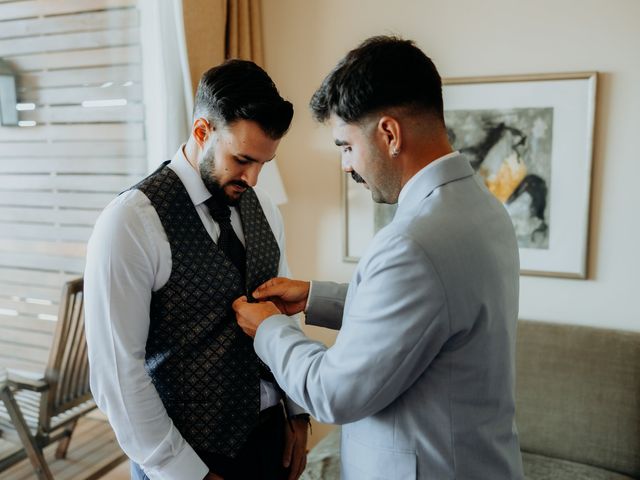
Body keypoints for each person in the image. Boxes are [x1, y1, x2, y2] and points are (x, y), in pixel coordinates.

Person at [233, 36, 524, 479]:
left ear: (389, 133)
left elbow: (334, 392)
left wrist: (268, 330)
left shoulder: (412, 244)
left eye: (346, 146)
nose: (346, 166)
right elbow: (429, 311)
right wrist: (316, 297)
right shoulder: (483, 209)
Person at [85, 60, 309, 480]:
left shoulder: (260, 205)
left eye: (265, 162)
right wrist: (187, 472)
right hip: (186, 454)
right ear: (202, 131)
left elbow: (282, 312)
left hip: (270, 440)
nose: (255, 178)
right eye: (243, 159)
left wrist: (297, 411)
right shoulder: (130, 222)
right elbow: (117, 373)